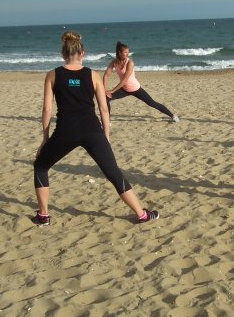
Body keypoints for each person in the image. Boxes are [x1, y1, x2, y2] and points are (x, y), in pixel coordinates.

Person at [32, 31, 159, 225]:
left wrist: (45, 138)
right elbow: (103, 109)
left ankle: (43, 216)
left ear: (63, 53)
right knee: (113, 173)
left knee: (40, 167)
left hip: (65, 132)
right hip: (92, 130)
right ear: (83, 53)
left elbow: (47, 109)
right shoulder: (93, 75)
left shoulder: (53, 75)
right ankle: (141, 214)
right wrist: (106, 135)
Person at [103, 41, 179, 123]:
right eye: (125, 52)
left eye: (128, 52)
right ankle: (107, 121)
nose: (127, 54)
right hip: (124, 89)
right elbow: (106, 75)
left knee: (152, 103)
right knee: (106, 98)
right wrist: (104, 90)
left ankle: (173, 116)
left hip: (135, 89)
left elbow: (125, 80)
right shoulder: (114, 62)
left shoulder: (130, 63)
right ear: (120, 53)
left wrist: (112, 90)